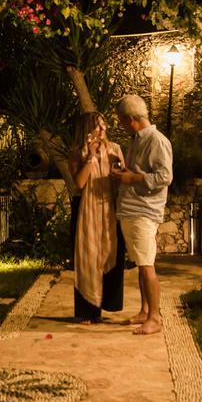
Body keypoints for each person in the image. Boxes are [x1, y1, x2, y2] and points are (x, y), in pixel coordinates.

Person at [112, 95, 173, 335]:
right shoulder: (136, 140)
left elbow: (164, 176)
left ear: (130, 119)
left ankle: (155, 318)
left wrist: (133, 178)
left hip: (143, 211)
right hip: (131, 208)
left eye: (121, 121)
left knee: (147, 264)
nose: (120, 125)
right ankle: (145, 310)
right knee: (141, 262)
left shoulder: (156, 141)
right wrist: (126, 174)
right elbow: (140, 172)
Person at [68, 111, 126, 323]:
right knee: (87, 258)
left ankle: (108, 303)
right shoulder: (77, 153)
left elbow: (123, 177)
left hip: (110, 207)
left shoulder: (115, 149)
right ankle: (88, 310)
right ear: (87, 130)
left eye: (104, 125)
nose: (103, 130)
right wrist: (91, 157)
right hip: (87, 208)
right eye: (98, 126)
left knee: (110, 253)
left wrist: (119, 169)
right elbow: (80, 183)